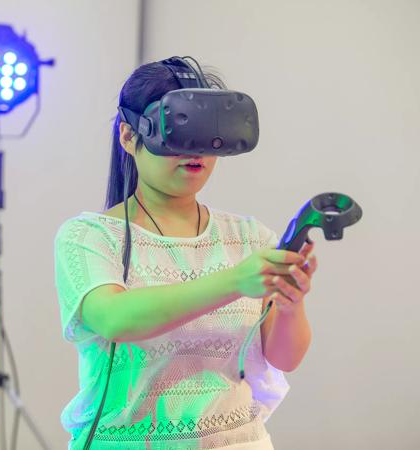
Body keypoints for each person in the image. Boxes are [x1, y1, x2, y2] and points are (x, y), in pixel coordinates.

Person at [54, 57, 318, 450]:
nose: (193, 150)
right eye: (177, 130)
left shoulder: (250, 238)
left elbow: (283, 357)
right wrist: (235, 281)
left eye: (204, 133)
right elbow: (116, 319)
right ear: (129, 136)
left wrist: (291, 304)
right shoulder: (90, 237)